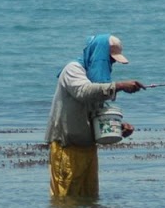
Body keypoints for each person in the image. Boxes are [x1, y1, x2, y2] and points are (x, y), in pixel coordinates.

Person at [45, 34, 144, 198]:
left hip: (88, 149)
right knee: (65, 201)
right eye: (109, 60)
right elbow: (83, 92)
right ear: (99, 55)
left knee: (89, 200)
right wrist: (118, 86)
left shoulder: (96, 79)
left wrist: (117, 127)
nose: (111, 64)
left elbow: (95, 114)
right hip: (67, 148)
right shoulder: (73, 70)